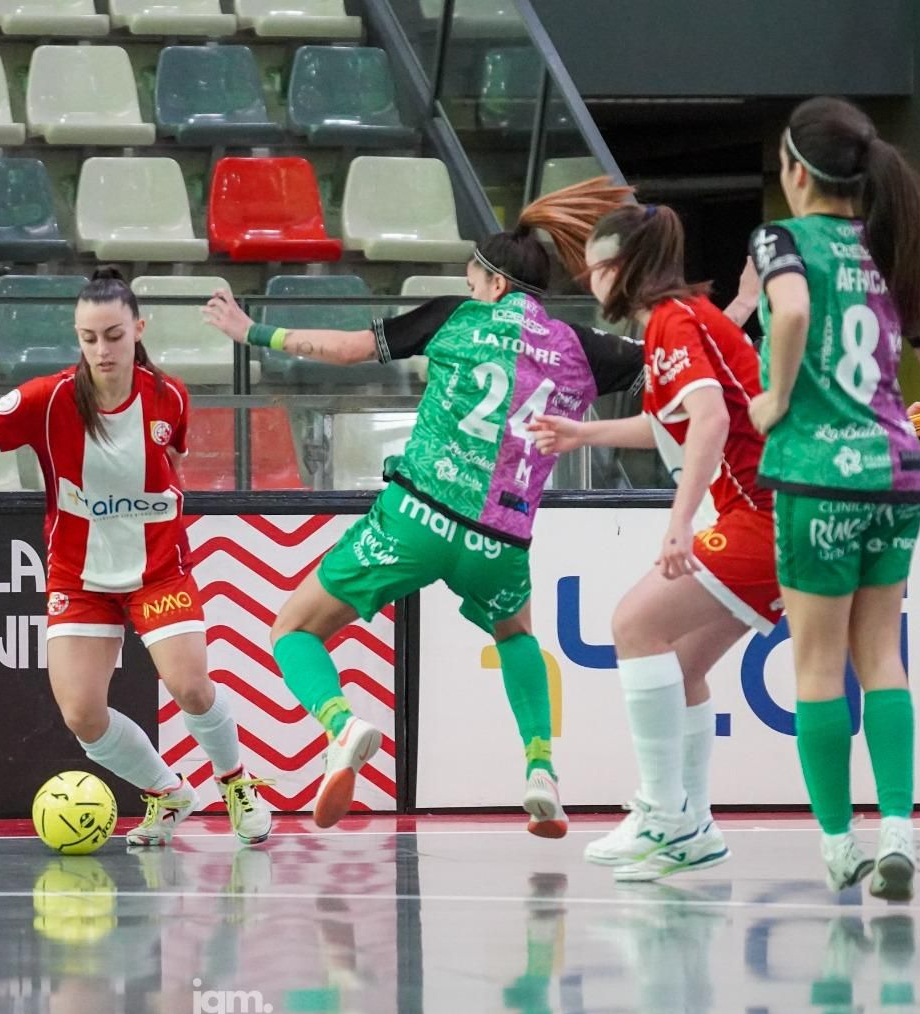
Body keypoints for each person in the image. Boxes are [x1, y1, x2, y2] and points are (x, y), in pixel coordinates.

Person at [201, 178, 647, 832]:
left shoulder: (451, 317)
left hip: (418, 516)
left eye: (472, 279)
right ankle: (540, 767)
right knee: (516, 634)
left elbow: (347, 351)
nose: (468, 289)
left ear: (494, 284)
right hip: (501, 538)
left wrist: (255, 333)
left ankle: (341, 725)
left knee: (293, 629)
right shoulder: (585, 348)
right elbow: (671, 365)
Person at [0, 269, 274, 848]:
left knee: (190, 686)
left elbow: (172, 465)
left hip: (158, 568)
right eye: (88, 337)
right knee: (83, 714)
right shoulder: (51, 398)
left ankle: (237, 782)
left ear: (138, 329)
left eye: (113, 335)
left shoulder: (170, 397)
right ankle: (168, 793)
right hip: (79, 575)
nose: (100, 349)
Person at [746, 96, 920, 900]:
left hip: (817, 477)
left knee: (818, 664)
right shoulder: (893, 252)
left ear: (795, 170)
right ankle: (899, 827)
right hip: (898, 477)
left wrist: (774, 400)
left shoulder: (780, 240)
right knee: (882, 657)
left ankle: (839, 845)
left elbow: (789, 311)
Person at [529, 202, 778, 881]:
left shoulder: (671, 321)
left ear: (625, 268)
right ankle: (689, 823)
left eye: (598, 268)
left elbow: (707, 422)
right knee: (682, 666)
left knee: (633, 624)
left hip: (763, 516)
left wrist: (678, 522)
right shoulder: (687, 317)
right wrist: (584, 433)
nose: (590, 282)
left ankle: (664, 814)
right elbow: (671, 421)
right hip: (775, 518)